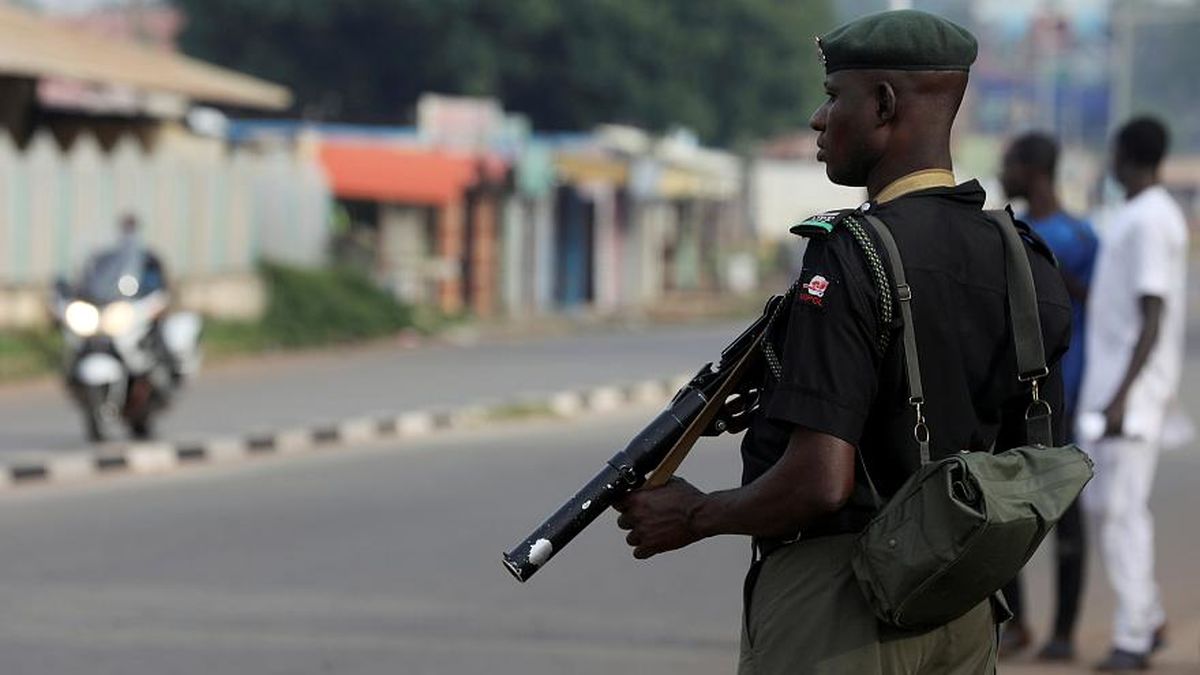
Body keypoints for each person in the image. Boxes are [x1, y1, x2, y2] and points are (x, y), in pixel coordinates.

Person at [613, 10, 1071, 674]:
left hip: (842, 607)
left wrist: (696, 515)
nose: (819, 120)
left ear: (883, 104)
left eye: (834, 96)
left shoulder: (850, 256)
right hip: (961, 609)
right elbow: (1039, 458)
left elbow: (820, 481)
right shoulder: (1026, 260)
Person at [1077, 117, 1187, 672]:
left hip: (1131, 396)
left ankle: (1134, 636)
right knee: (1114, 509)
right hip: (1116, 391)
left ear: (1127, 156)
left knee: (1123, 514)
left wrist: (1123, 396)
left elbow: (1152, 312)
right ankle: (1147, 614)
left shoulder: (1149, 220)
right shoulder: (1139, 215)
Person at [998, 132, 1098, 661]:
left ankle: (1062, 631)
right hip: (1012, 396)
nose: (1001, 170)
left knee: (1066, 518)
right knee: (1004, 514)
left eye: (1008, 163)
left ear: (1031, 169)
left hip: (1065, 394)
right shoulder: (1012, 231)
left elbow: (1098, 313)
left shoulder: (1078, 238)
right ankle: (1015, 625)